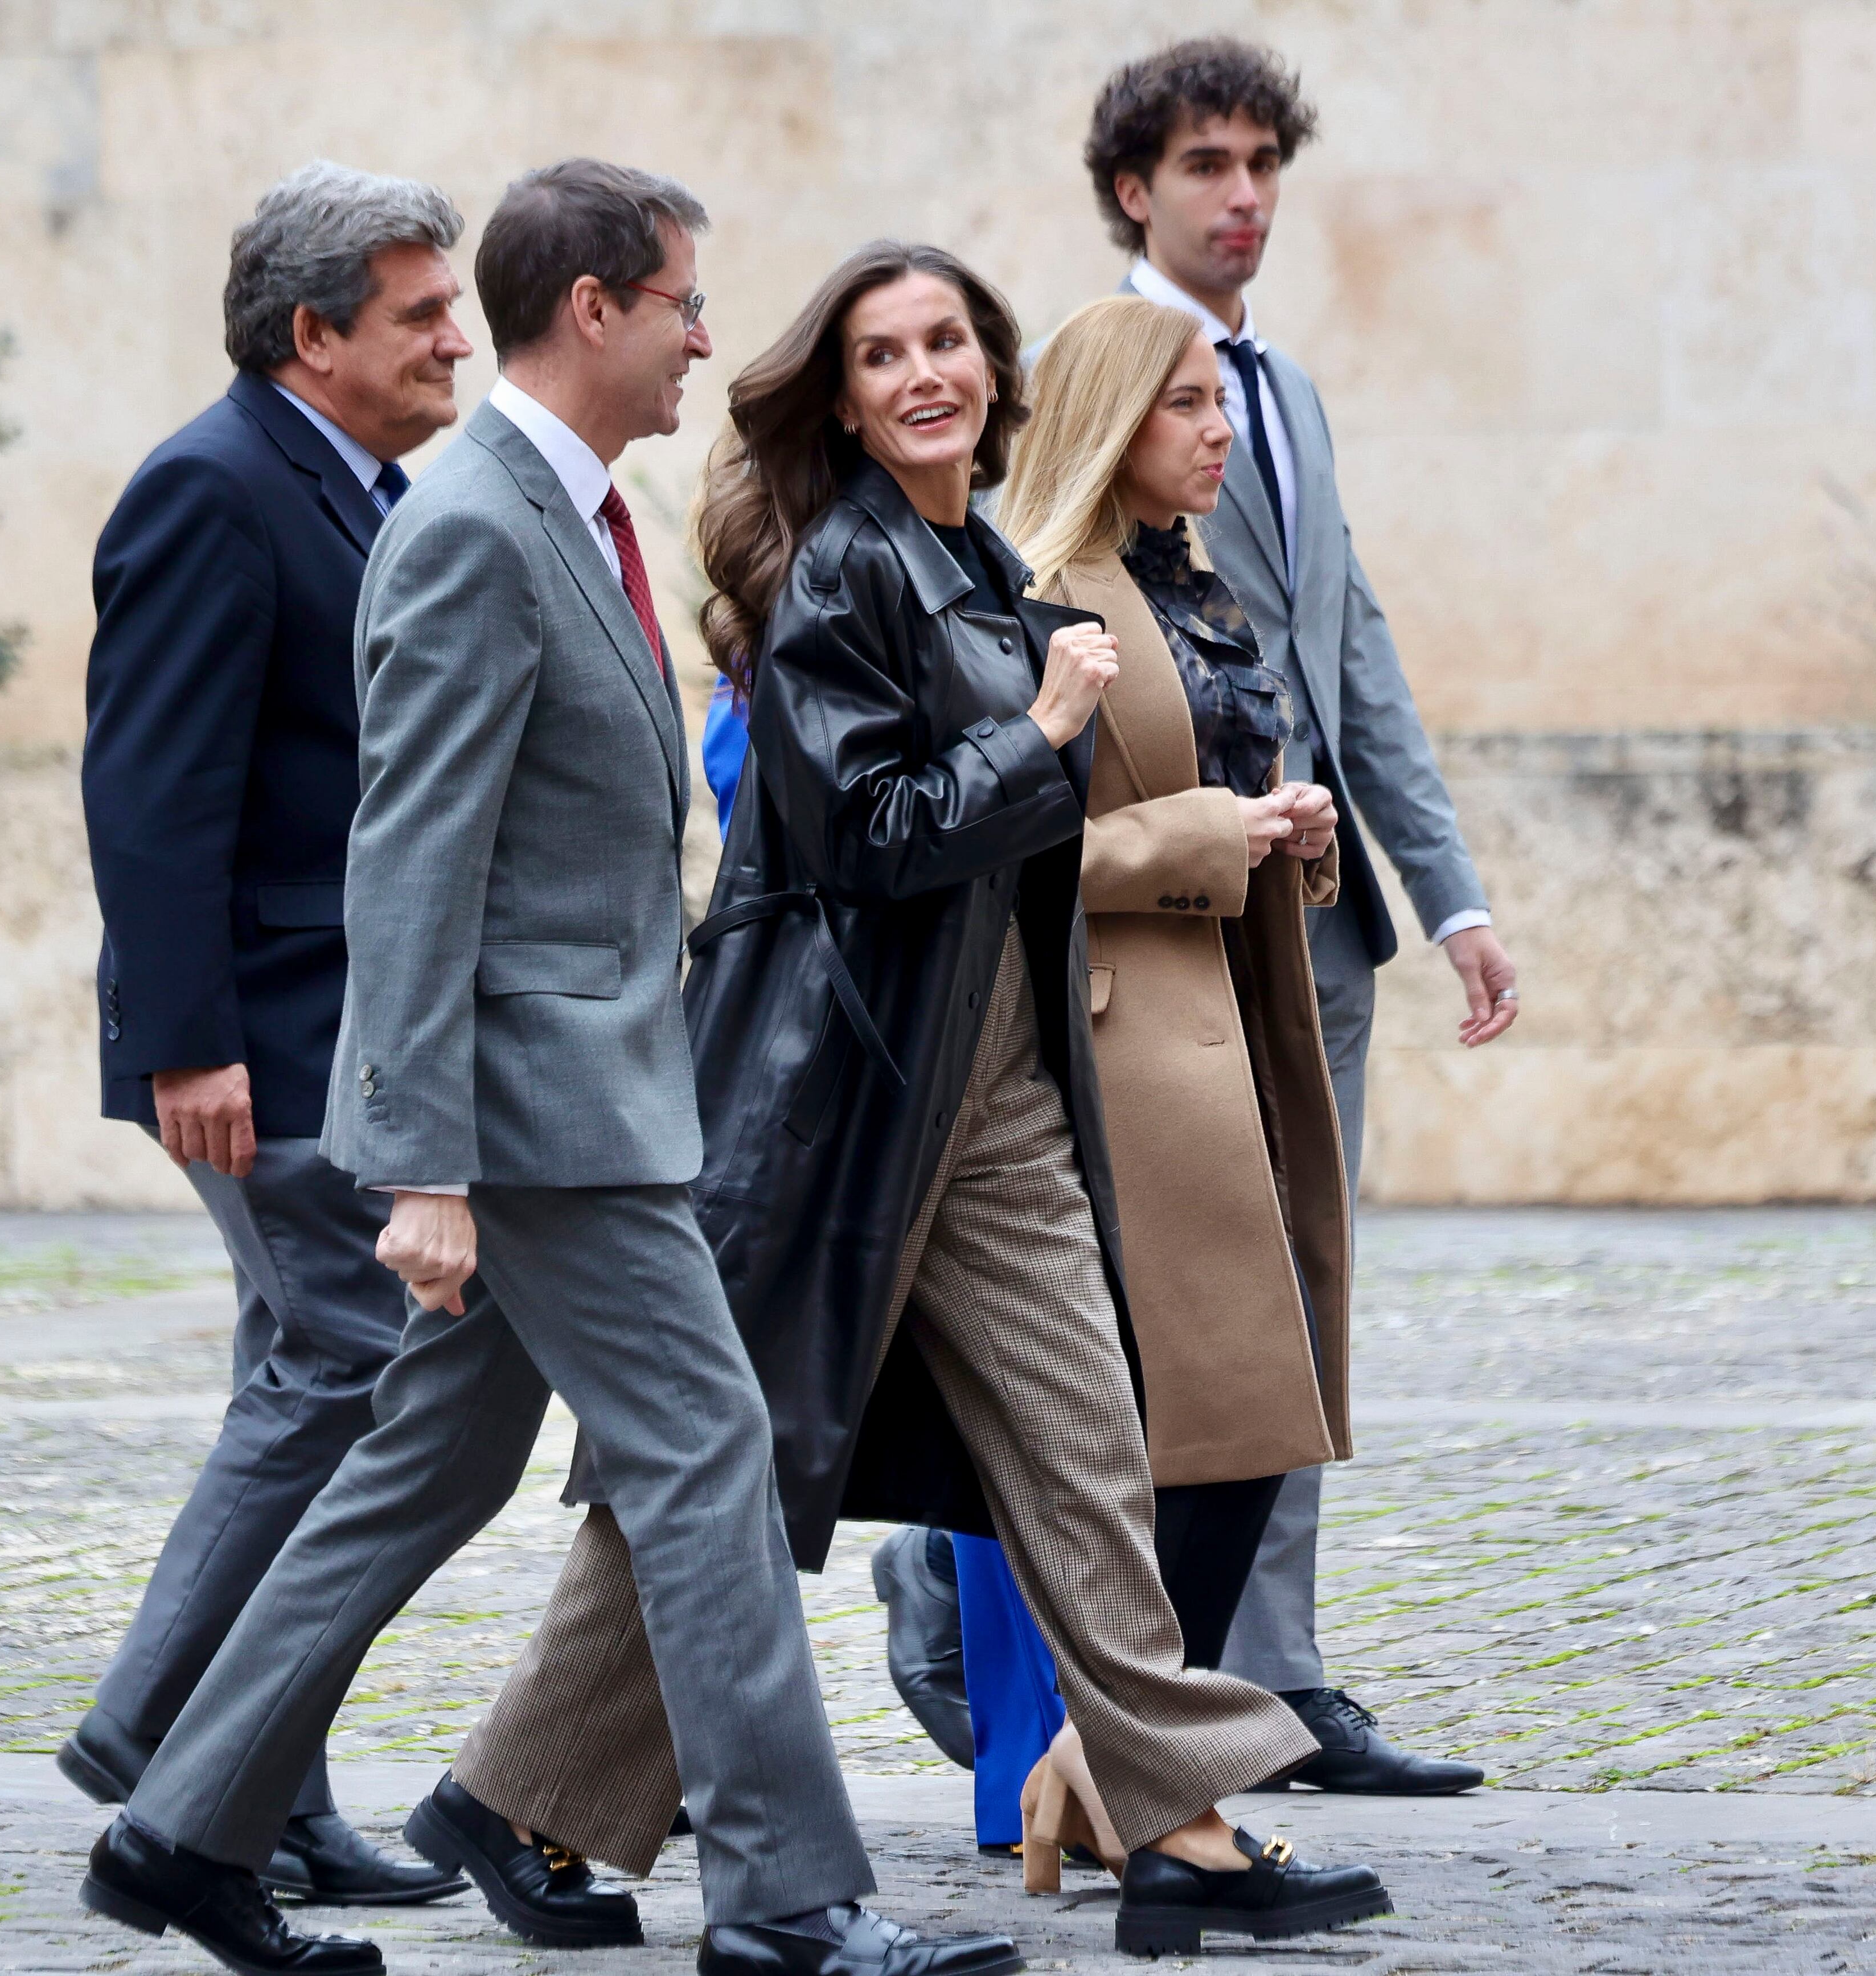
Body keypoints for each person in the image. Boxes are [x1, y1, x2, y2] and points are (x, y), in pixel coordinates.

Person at [76, 162, 1020, 1976]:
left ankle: (180, 1831)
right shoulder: (475, 525)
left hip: (572, 1093)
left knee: (420, 1467)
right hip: (536, 1117)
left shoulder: (557, 509)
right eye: (680, 300)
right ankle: (790, 1902)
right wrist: (421, 1162)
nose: (703, 336)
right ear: (592, 307)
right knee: (711, 1454)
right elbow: (408, 863)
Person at [434, 239, 1395, 1961]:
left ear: (995, 372)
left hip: (997, 1085)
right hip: (844, 1099)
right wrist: (1040, 734)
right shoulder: (841, 579)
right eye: (885, 357)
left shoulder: (983, 565)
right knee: (728, 1464)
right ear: (850, 399)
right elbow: (871, 835)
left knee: (1086, 1440)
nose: (924, 375)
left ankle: (1173, 1827)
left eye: (949, 341)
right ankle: (513, 1790)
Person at [1097, 35, 1514, 1792]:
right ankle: (957, 1574)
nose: (1245, 195)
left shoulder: (1292, 391)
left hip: (1324, 924)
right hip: (1171, 931)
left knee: (1302, 1301)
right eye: (1208, 163)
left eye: (1266, 160)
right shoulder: (1093, 375)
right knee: (1164, 1308)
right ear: (1136, 188)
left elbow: (1356, 649)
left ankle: (1277, 1677)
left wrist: (1456, 892)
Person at [71, 158, 474, 1907]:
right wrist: (185, 1042)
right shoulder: (213, 488)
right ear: (314, 335)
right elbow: (154, 787)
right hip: (267, 1034)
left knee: (297, 1365)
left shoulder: (359, 488)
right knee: (355, 1363)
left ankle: (269, 1801)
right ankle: (157, 1725)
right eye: (421, 314)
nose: (457, 337)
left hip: (324, 1022)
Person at [939, 294, 1362, 1876]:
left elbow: (1218, 794)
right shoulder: (1048, 595)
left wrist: (1292, 845)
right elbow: (1013, 840)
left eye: (1219, 396)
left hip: (1230, 1039)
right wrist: (1205, 843)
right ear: (1115, 418)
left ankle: (1092, 1764)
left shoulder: (1198, 589)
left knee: (1257, 1421)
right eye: (1184, 401)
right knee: (1201, 1425)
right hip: (1121, 1055)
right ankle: (1118, 1770)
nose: (1218, 425)